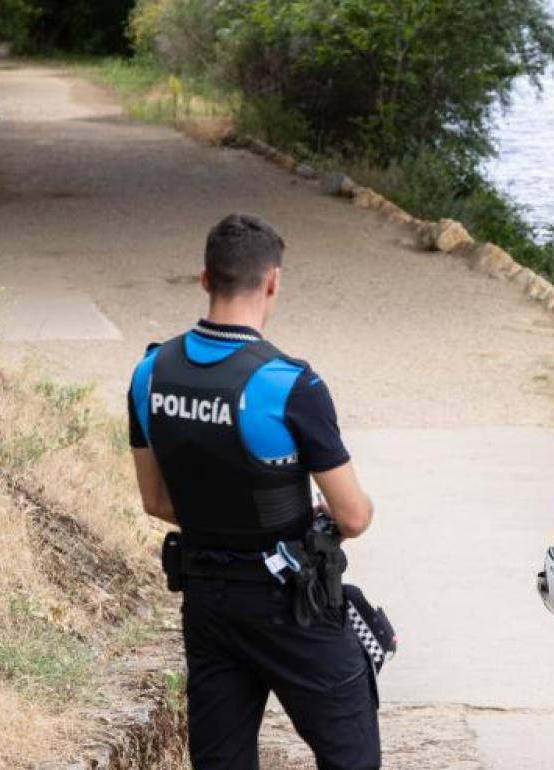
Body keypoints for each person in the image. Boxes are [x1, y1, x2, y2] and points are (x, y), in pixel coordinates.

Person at [128, 213, 380, 770]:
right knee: (352, 755)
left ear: (204, 279)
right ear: (273, 281)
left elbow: (157, 502)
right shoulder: (289, 383)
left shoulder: (150, 373)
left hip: (207, 599)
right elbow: (354, 516)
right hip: (289, 602)